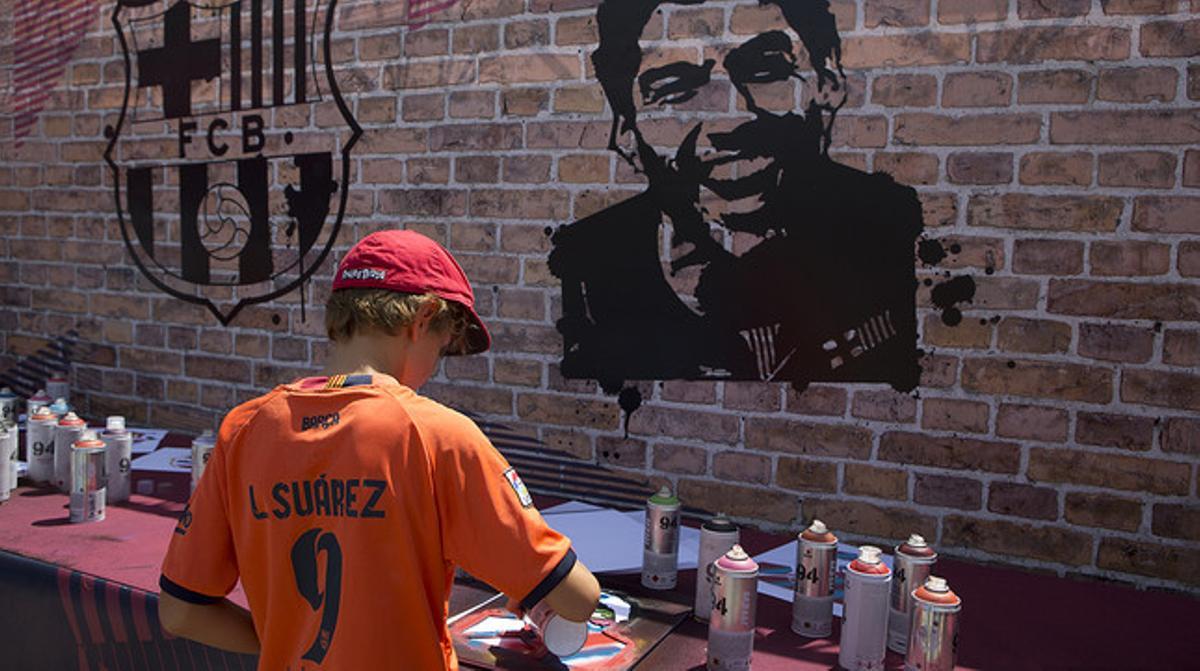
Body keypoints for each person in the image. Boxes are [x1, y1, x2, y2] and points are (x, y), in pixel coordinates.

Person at [157, 230, 601, 669]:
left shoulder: (245, 429)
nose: (431, 371)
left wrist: (291, 637)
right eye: (441, 350)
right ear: (423, 317)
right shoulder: (438, 436)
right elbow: (579, 599)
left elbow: (181, 611)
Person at [550, 0, 923, 393]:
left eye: (767, 71)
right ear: (626, 133)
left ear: (827, 88)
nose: (733, 119)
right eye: (675, 90)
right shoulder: (586, 269)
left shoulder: (892, 236)